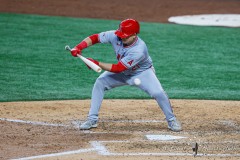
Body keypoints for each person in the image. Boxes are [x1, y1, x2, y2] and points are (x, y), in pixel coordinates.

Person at [70, 18, 182, 132]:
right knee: (100, 83)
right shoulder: (115, 35)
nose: (122, 37)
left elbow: (118, 68)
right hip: (123, 73)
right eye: (121, 34)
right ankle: (92, 119)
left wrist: (97, 63)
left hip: (142, 73)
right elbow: (95, 38)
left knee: (158, 92)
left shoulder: (139, 49)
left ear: (134, 35)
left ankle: (171, 120)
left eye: (126, 36)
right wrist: (78, 47)